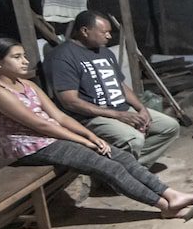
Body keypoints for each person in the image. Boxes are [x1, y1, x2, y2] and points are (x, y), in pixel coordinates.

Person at [0, 38, 193, 220]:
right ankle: (164, 206)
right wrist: (84, 141)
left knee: (120, 156)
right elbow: (39, 124)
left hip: (52, 138)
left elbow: (58, 117)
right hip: (29, 147)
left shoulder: (27, 84)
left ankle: (171, 194)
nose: (25, 61)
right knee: (104, 164)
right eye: (17, 57)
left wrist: (90, 135)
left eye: (24, 55)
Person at [44, 10, 179, 167]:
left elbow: (120, 85)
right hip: (91, 117)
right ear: (85, 31)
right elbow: (70, 102)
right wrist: (117, 115)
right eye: (104, 32)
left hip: (120, 109)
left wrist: (141, 108)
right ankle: (123, 173)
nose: (109, 36)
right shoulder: (62, 57)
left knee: (169, 127)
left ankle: (128, 169)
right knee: (134, 138)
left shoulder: (105, 52)